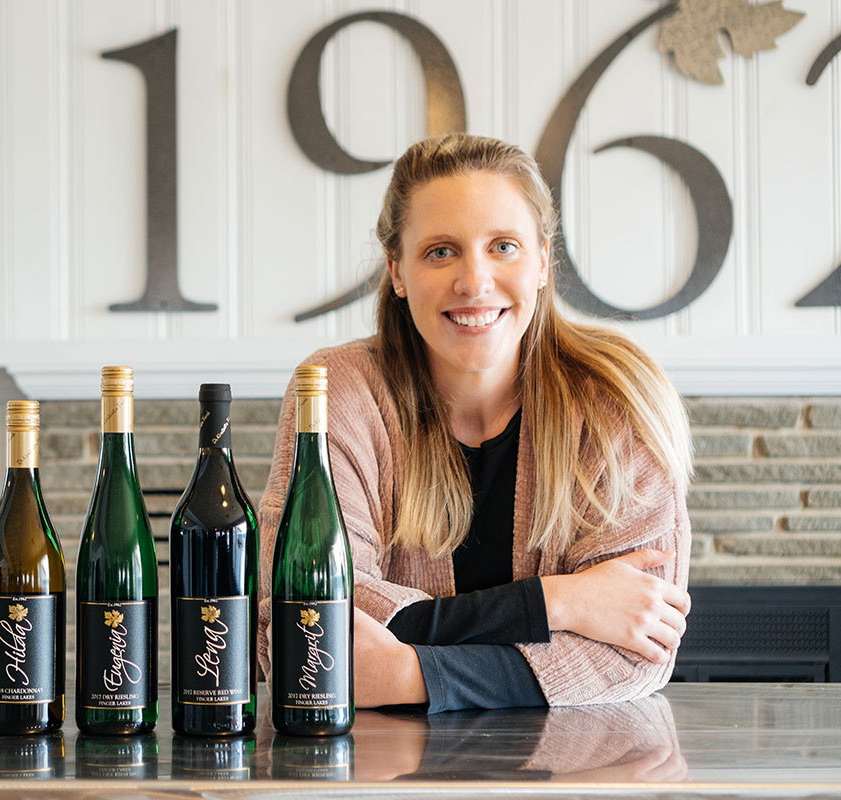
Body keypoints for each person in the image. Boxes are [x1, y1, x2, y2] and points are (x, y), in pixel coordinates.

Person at [257, 133, 693, 712]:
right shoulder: (337, 393)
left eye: (504, 246)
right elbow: (301, 626)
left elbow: (639, 648)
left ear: (542, 260)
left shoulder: (616, 399)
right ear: (397, 271)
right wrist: (556, 603)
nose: (475, 281)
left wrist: (413, 676)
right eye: (441, 251)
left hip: (569, 774)